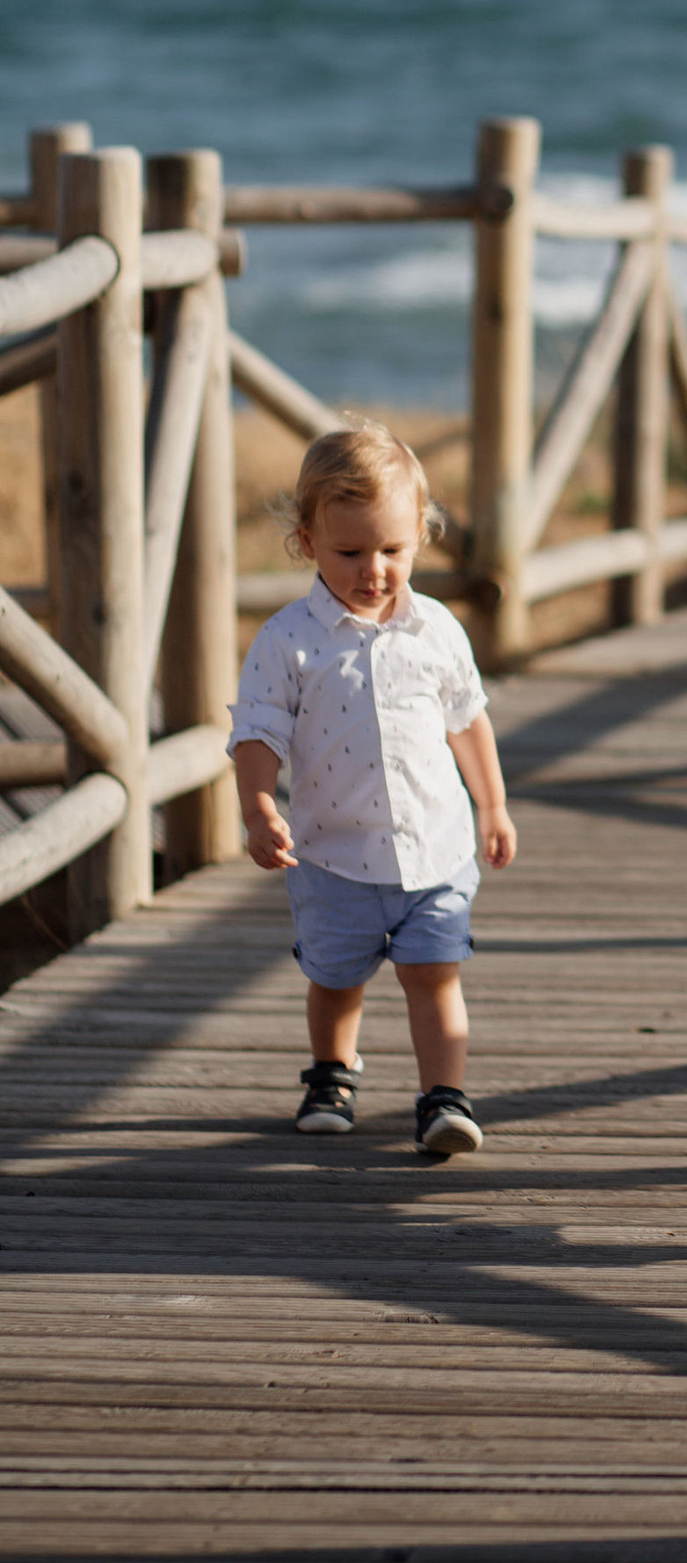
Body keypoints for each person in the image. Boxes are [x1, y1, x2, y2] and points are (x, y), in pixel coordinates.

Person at [228, 421, 517, 1156]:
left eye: (392, 550)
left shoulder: (437, 630)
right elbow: (257, 731)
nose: (374, 570)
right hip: (332, 858)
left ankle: (443, 1097)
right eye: (350, 552)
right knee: (335, 980)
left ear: (420, 533)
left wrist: (493, 803)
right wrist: (260, 806)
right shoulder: (289, 640)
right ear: (306, 541)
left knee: (434, 973)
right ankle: (331, 1074)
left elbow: (467, 721)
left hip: (435, 849)